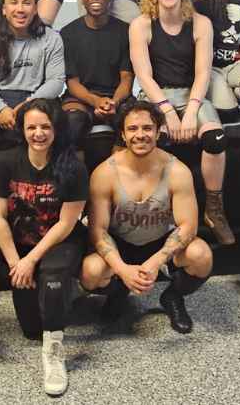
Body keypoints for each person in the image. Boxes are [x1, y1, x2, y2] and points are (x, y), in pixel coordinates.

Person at [80, 100, 214, 334]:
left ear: (158, 131)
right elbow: (98, 231)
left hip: (161, 242)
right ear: (122, 134)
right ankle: (119, 293)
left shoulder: (177, 171)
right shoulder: (104, 173)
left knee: (201, 255)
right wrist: (122, 270)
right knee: (91, 272)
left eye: (147, 128)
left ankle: (172, 297)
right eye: (132, 129)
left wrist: (154, 263)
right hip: (120, 244)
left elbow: (188, 227)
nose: (140, 135)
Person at [0, 99, 87, 396]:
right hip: (19, 245)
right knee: (30, 330)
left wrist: (31, 260)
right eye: (32, 127)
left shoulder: (73, 167)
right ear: (22, 130)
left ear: (57, 130)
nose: (38, 133)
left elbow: (65, 224)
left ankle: (54, 351)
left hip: (59, 241)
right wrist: (16, 262)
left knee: (52, 279)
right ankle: (59, 296)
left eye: (45, 126)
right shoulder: (6, 161)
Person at [129, 0, 233, 245]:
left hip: (192, 94)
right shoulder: (140, 25)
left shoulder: (201, 24)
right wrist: (168, 114)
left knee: (215, 137)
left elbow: (203, 74)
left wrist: (190, 113)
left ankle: (213, 209)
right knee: (153, 141)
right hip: (156, 95)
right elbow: (144, 77)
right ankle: (159, 212)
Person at [0, 0, 67, 208]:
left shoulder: (51, 38)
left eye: (26, 3)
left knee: (60, 127)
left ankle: (49, 198)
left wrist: (28, 105)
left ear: (35, 9)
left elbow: (56, 81)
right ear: (3, 9)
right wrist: (0, 109)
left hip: (37, 97)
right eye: (13, 3)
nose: (20, 9)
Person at [60, 0, 134, 173]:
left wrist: (113, 103)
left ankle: (116, 180)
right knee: (72, 123)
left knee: (132, 120)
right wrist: (95, 102)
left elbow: (126, 79)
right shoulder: (68, 33)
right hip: (81, 97)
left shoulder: (126, 31)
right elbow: (72, 83)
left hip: (116, 97)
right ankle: (79, 187)